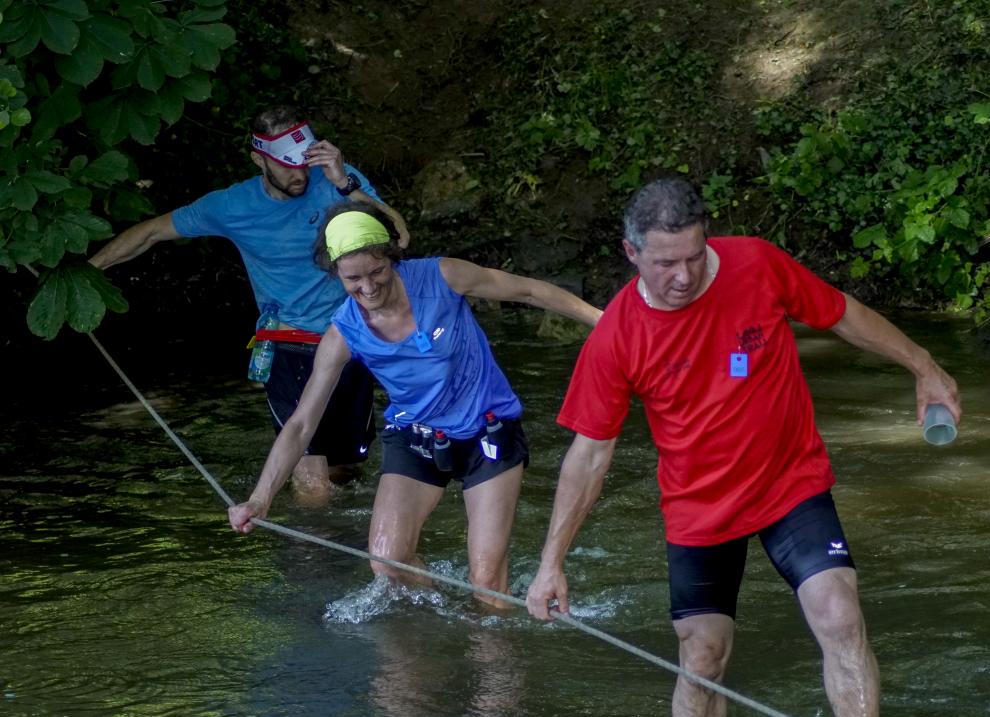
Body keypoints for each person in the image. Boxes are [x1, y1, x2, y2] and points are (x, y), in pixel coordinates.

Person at [524, 178, 960, 717]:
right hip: (700, 509)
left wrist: (924, 365)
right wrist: (551, 564)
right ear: (631, 252)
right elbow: (589, 456)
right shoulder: (617, 335)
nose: (683, 275)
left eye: (694, 255)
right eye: (665, 263)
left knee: (840, 614)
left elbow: (842, 314)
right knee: (704, 658)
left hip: (790, 484)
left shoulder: (756, 263)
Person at [228, 203, 603, 606]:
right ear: (335, 273)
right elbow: (302, 424)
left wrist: (606, 322)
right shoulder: (343, 333)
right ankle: (444, 618)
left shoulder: (442, 276)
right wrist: (261, 498)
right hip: (415, 437)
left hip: (487, 431)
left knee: (486, 581)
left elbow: (528, 290)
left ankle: (493, 637)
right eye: (353, 278)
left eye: (377, 271)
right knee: (387, 563)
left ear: (391, 257)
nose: (368, 288)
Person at [87, 106, 410, 503]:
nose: (299, 174)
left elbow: (398, 236)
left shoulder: (336, 181)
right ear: (259, 160)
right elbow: (152, 232)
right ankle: (313, 543)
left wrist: (344, 182)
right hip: (288, 343)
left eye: (304, 162)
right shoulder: (232, 206)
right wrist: (89, 270)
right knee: (310, 473)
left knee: (345, 468)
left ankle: (333, 532)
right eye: (287, 166)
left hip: (349, 340)